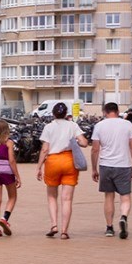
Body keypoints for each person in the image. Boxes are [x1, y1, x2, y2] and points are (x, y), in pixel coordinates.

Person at [37, 102, 89, 239]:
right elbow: (84, 143)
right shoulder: (72, 125)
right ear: (66, 114)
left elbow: (45, 149)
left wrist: (39, 167)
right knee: (67, 199)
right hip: (69, 161)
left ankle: (54, 225)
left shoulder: (48, 127)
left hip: (52, 162)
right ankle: (64, 231)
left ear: (53, 114)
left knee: (52, 196)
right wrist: (74, 142)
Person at [90, 102, 132, 239]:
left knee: (109, 196)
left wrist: (94, 168)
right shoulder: (127, 125)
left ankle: (109, 227)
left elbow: (95, 149)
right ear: (117, 111)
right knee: (125, 196)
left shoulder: (99, 126)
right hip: (123, 165)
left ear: (105, 112)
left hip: (106, 165)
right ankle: (123, 217)